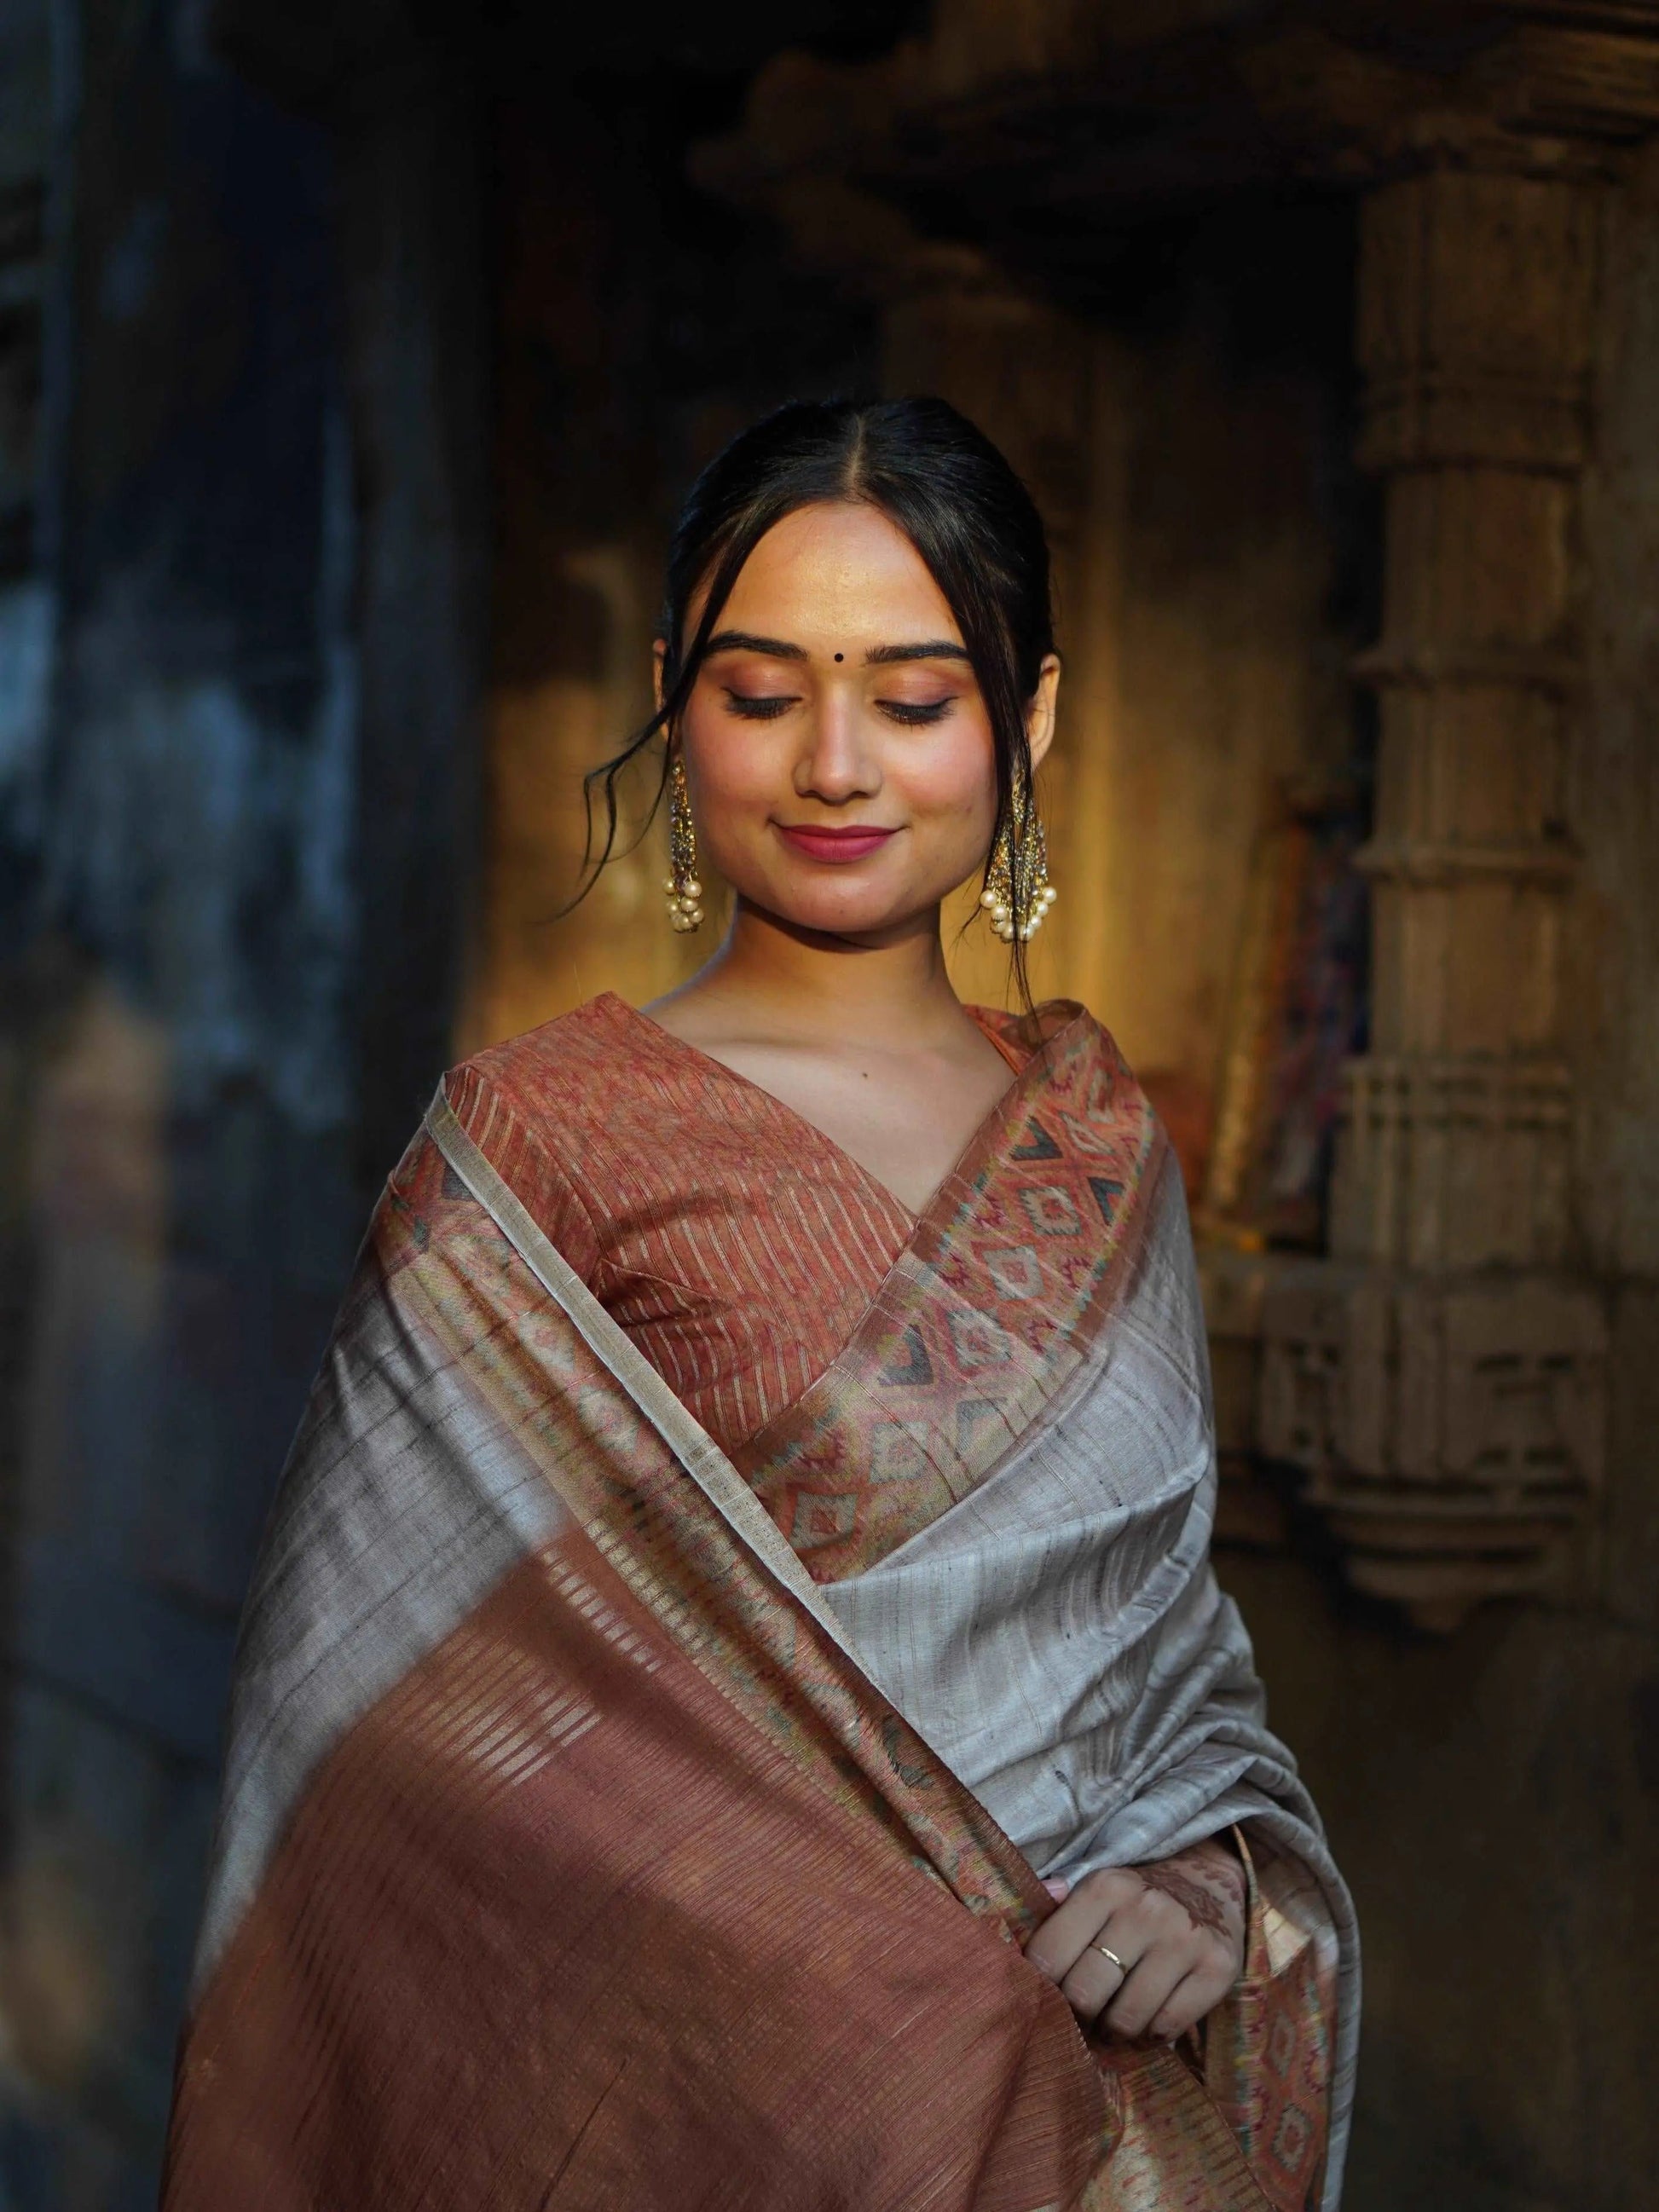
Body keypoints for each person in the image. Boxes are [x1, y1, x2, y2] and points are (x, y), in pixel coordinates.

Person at [162, 397, 1356, 2210]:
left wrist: (1206, 1880)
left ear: (1027, 716)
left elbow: (1172, 1665)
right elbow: (384, 1754)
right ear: (673, 699)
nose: (834, 765)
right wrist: (854, 1978)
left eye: (916, 697)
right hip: (685, 2119)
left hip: (1061, 2127)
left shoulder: (1101, 1145)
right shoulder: (538, 1143)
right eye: (759, 691)